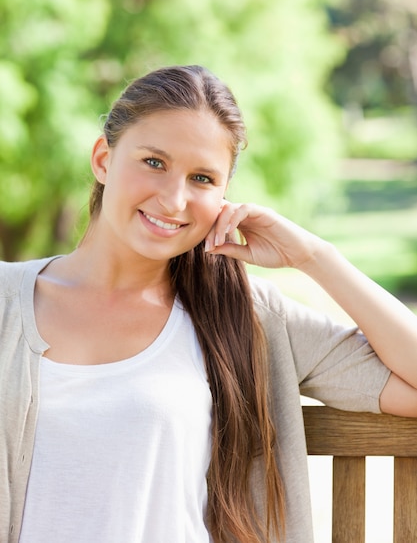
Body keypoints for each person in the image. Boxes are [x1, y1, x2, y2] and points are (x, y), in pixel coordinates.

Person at [1, 65, 417, 543]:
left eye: (201, 178)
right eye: (154, 162)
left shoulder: (247, 318)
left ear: (223, 197)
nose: (174, 200)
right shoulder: (7, 302)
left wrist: (314, 256)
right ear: (103, 159)